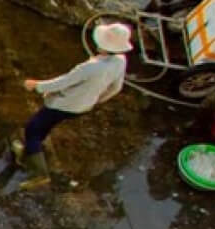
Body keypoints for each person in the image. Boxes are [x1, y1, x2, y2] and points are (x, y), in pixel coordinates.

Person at [15, 22, 129, 187]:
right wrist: (97, 100)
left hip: (63, 104)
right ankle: (30, 152)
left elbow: (63, 82)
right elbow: (116, 88)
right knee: (46, 126)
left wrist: (37, 85)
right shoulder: (120, 61)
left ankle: (40, 173)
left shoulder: (90, 67)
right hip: (81, 108)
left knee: (32, 129)